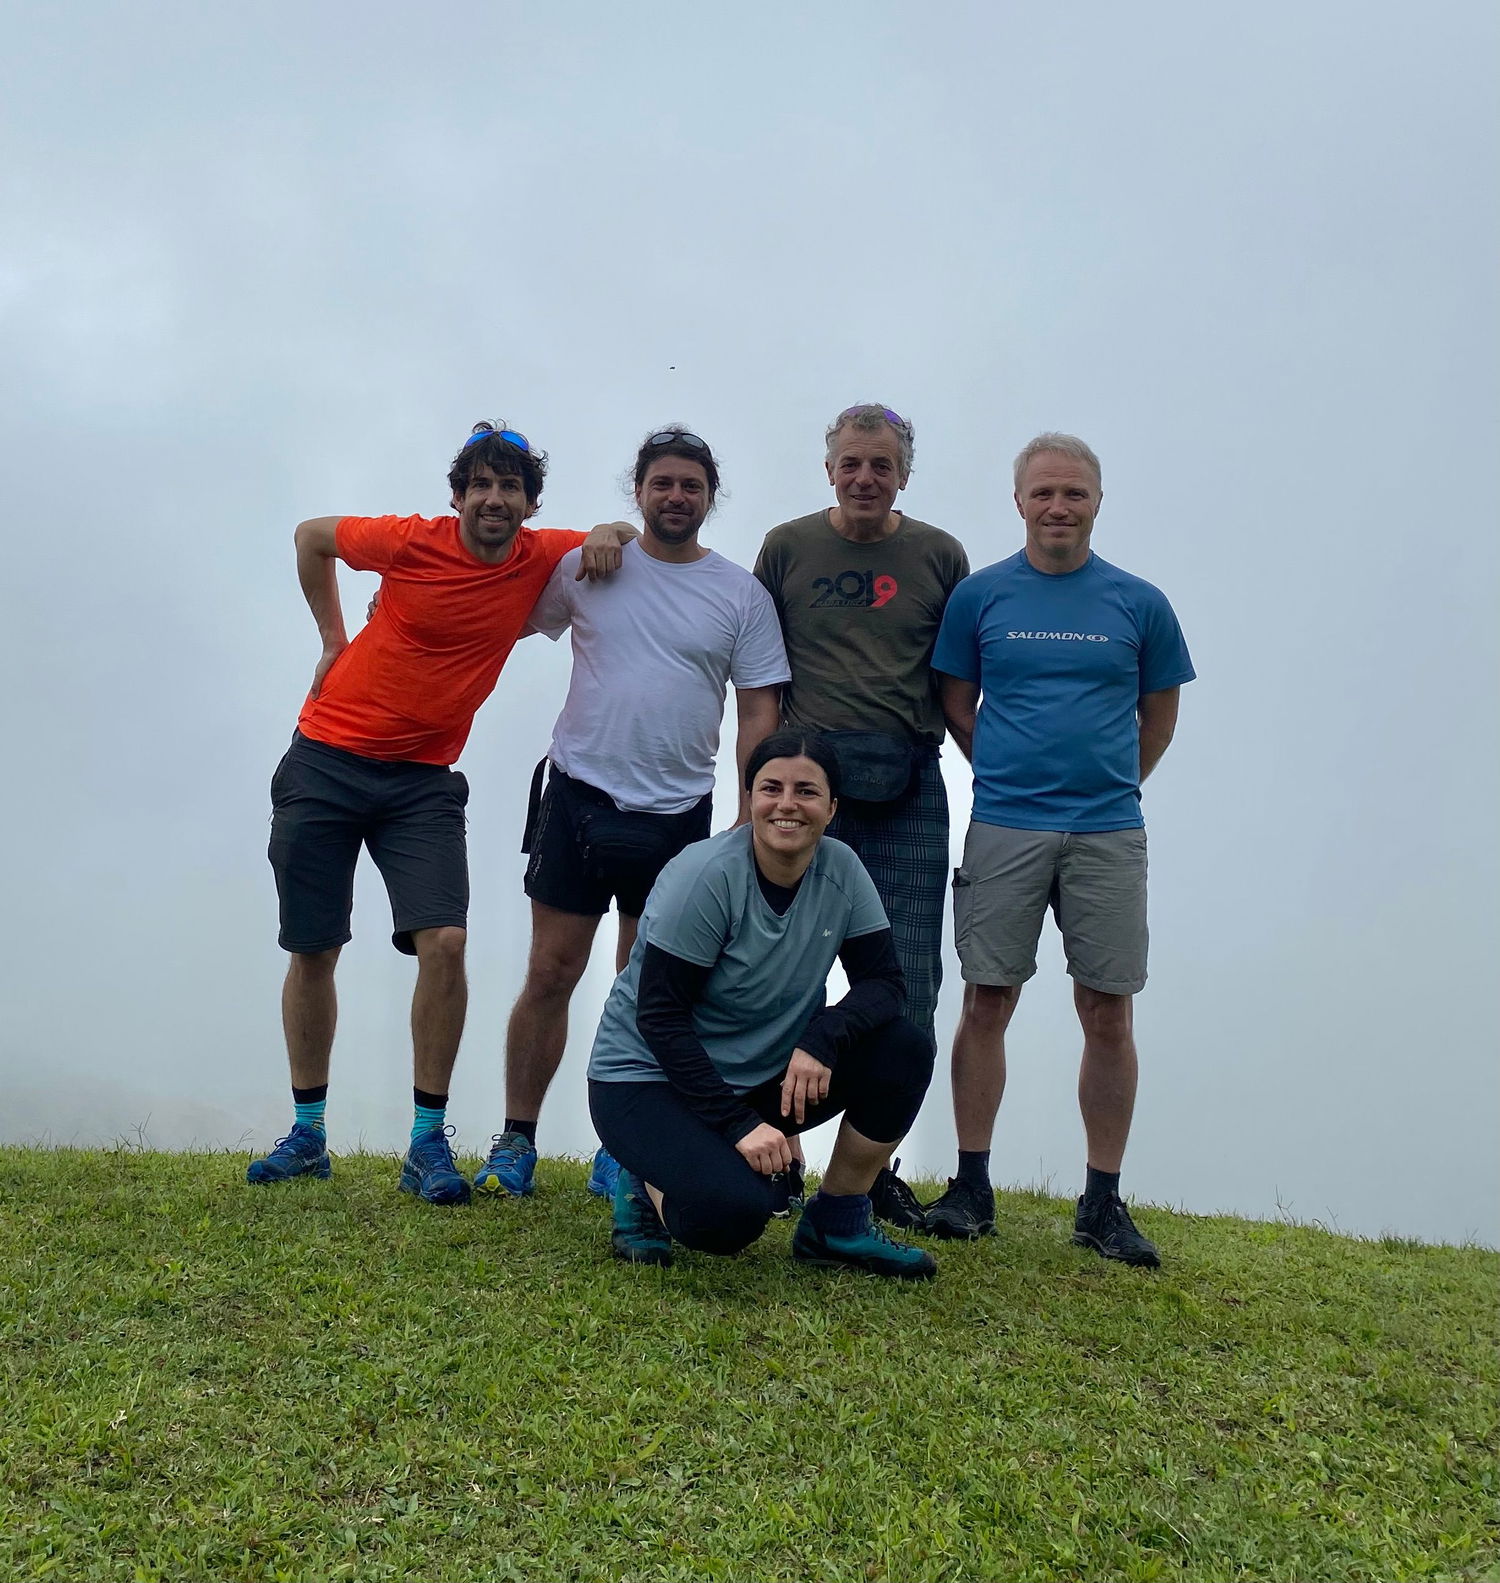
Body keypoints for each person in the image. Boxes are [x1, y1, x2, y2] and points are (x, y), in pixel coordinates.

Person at [250, 422, 633, 1203]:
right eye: (481, 485)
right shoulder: (409, 541)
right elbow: (310, 535)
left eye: (511, 487)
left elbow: (616, 533)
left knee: (447, 943)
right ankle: (307, 1133)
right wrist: (333, 636)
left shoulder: (537, 554)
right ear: (456, 495)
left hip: (423, 781)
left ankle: (428, 1142)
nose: (495, 499)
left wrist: (607, 530)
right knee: (315, 947)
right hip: (326, 756)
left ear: (528, 503)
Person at [470, 428, 789, 1200]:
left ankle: (624, 1144)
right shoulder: (590, 563)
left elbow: (757, 712)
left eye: (691, 485)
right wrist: (405, 600)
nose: (676, 496)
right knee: (550, 971)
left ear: (711, 496)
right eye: (662, 483)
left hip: (678, 812)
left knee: (647, 986)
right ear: (638, 491)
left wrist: (750, 810)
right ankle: (518, 1139)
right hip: (578, 794)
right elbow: (494, 616)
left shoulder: (740, 594)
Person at [926, 433, 1195, 1265]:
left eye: (1074, 493)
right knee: (986, 999)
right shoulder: (980, 598)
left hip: (1109, 830)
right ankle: (973, 1187)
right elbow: (955, 698)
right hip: (1005, 823)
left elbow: (1159, 713)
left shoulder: (1139, 603)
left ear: (1098, 501)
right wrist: (1006, 770)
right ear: (1018, 501)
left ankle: (1102, 1202)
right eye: (1043, 493)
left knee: (1107, 1009)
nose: (1058, 507)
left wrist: (1111, 782)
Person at [587, 730, 937, 1277]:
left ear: (832, 807)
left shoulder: (842, 869)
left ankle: (837, 1222)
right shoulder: (704, 876)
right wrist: (736, 1126)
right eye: (771, 787)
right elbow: (659, 1017)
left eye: (807, 791)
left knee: (904, 1049)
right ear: (749, 797)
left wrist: (824, 1036)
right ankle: (640, 1180)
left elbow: (885, 983)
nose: (787, 804)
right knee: (729, 1219)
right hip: (649, 1080)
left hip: (758, 1076)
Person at [753, 404, 969, 1228]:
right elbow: (761, 675)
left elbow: (957, 686)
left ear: (904, 474)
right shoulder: (787, 546)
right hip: (808, 784)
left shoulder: (941, 555)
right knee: (781, 972)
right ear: (829, 468)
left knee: (908, 981)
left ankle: (872, 1169)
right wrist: (760, 785)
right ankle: (773, 1149)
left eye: (882, 464)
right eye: (852, 462)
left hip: (910, 780)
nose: (866, 478)